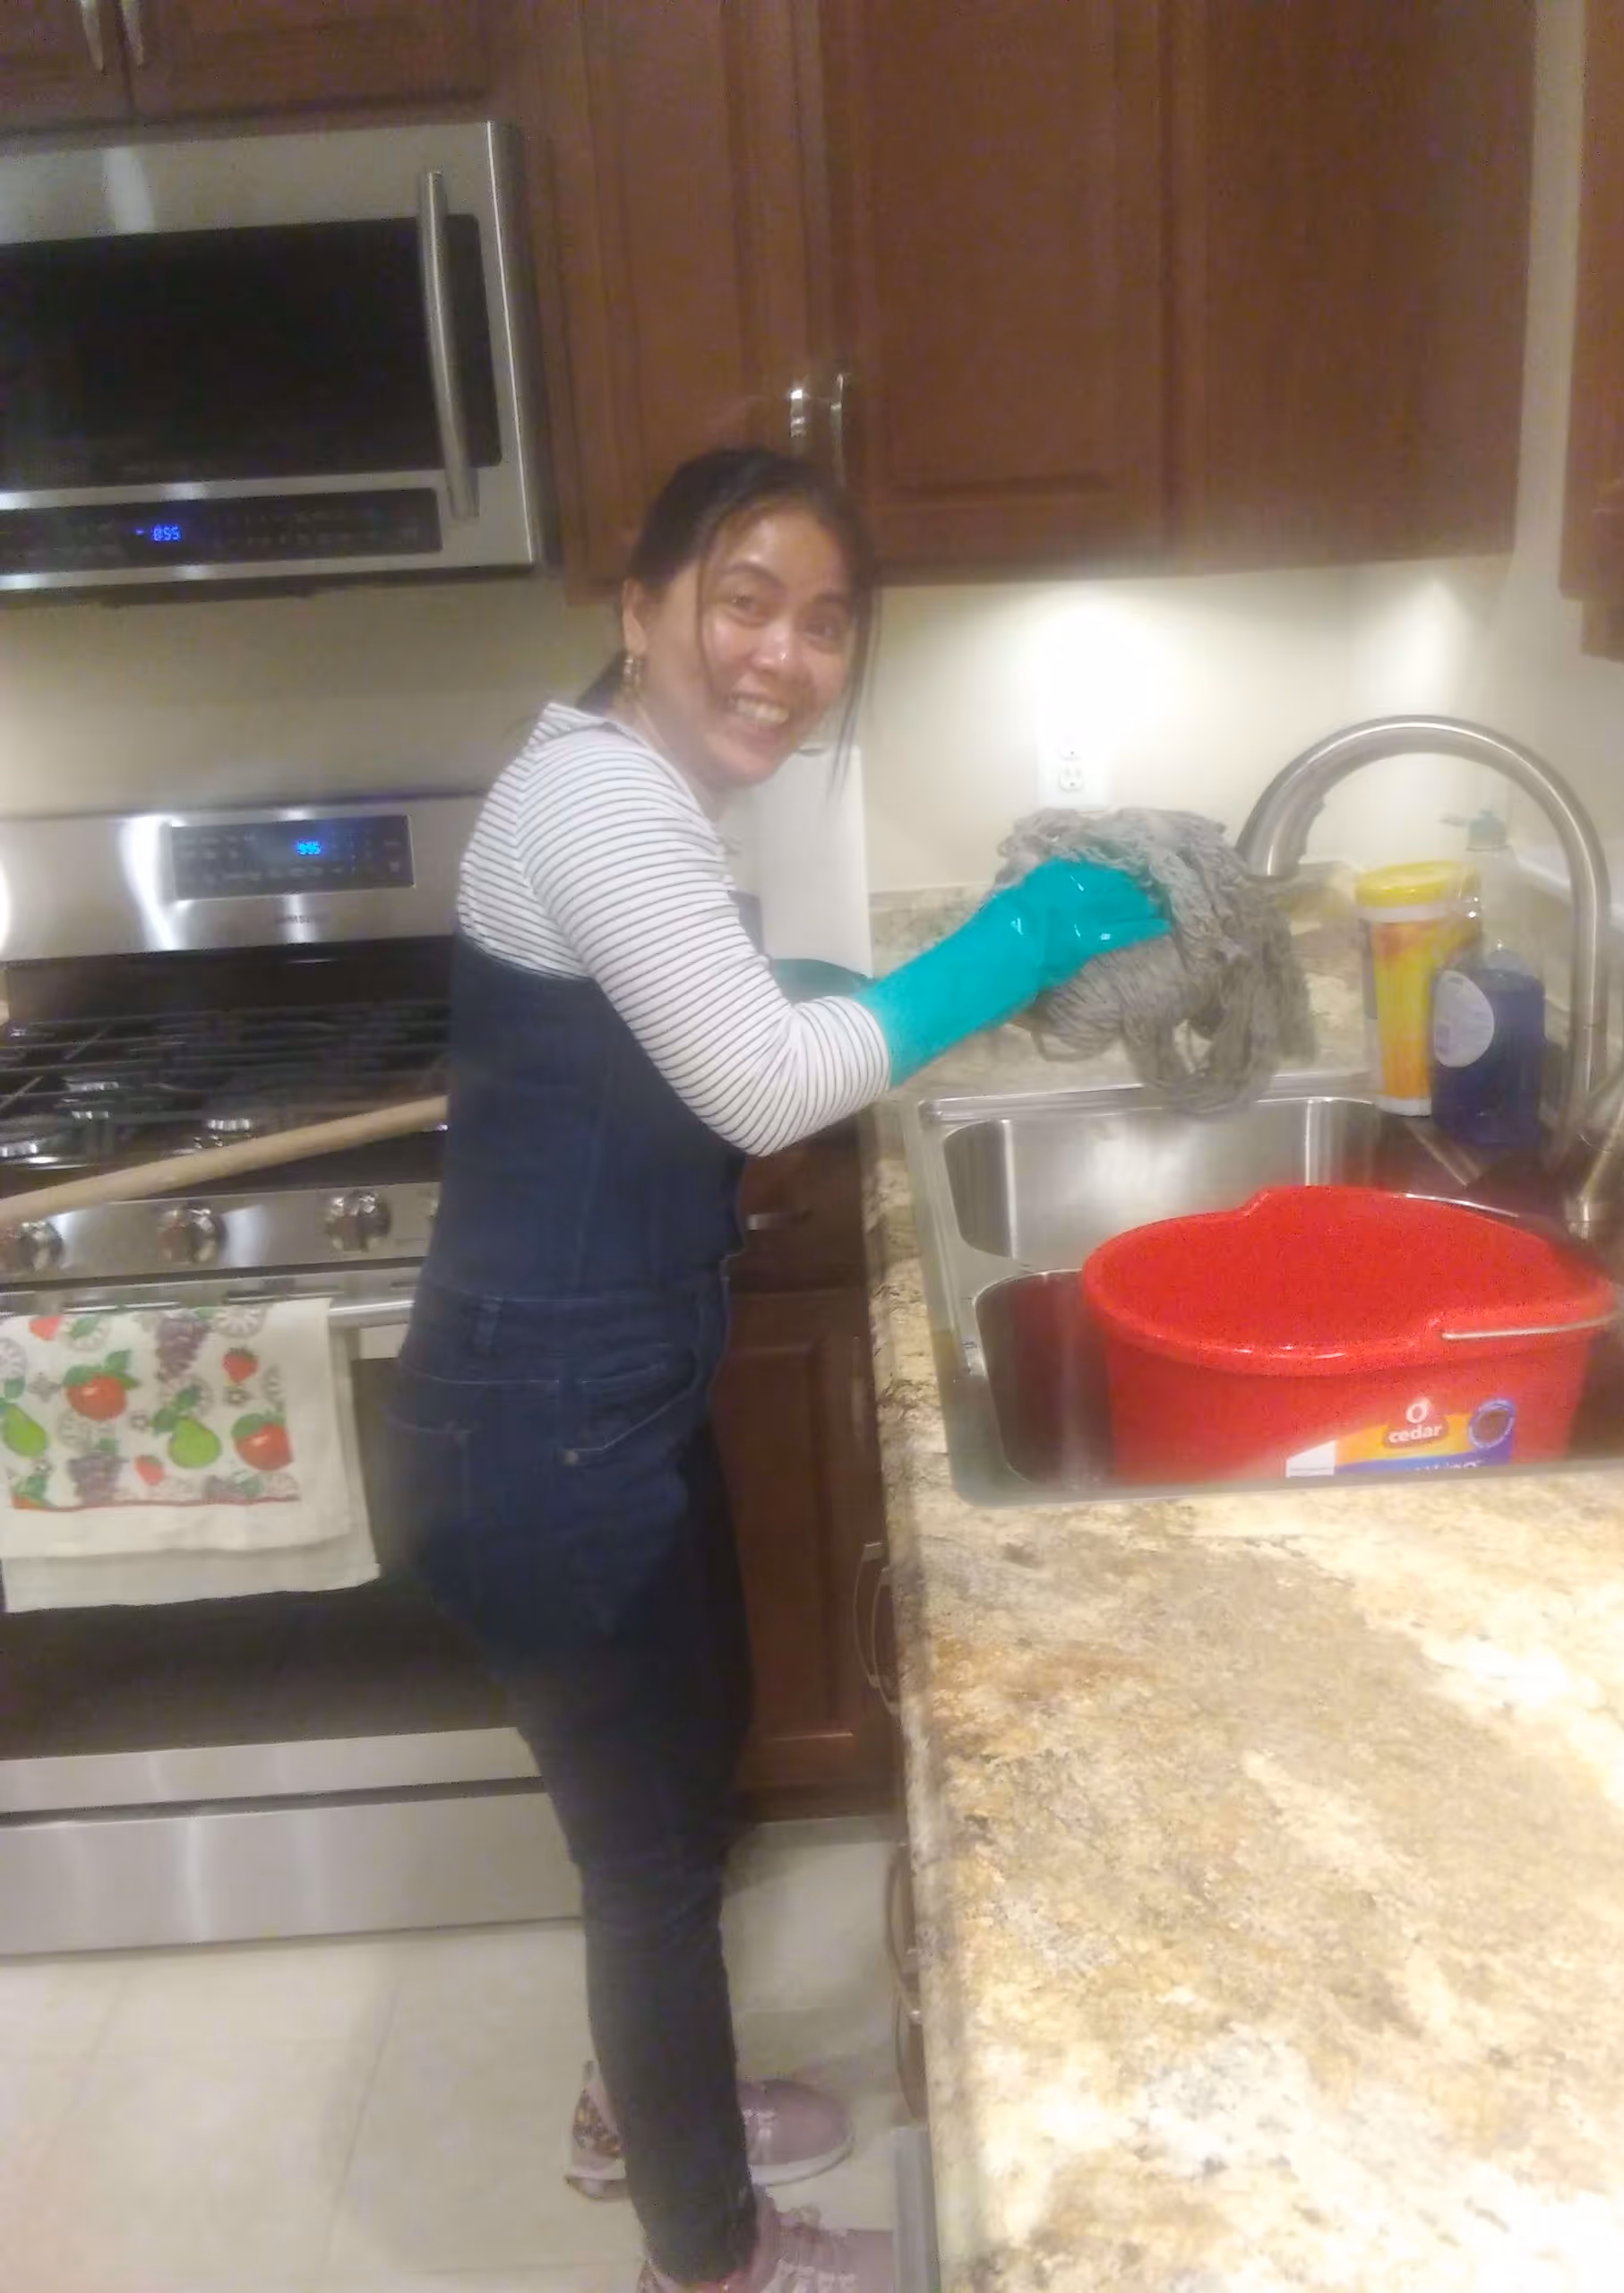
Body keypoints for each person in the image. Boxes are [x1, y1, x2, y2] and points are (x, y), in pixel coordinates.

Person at [384, 447, 1166, 2293]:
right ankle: (708, 2257)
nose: (786, 652)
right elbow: (756, 1087)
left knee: (685, 1784)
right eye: (744, 597)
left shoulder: (624, 789)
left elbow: (699, 1035)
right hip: (540, 1438)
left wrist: (813, 979)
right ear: (639, 605)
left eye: (826, 620)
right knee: (650, 1856)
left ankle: (635, 2107)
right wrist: (1014, 942)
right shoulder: (603, 803)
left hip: (590, 1407)